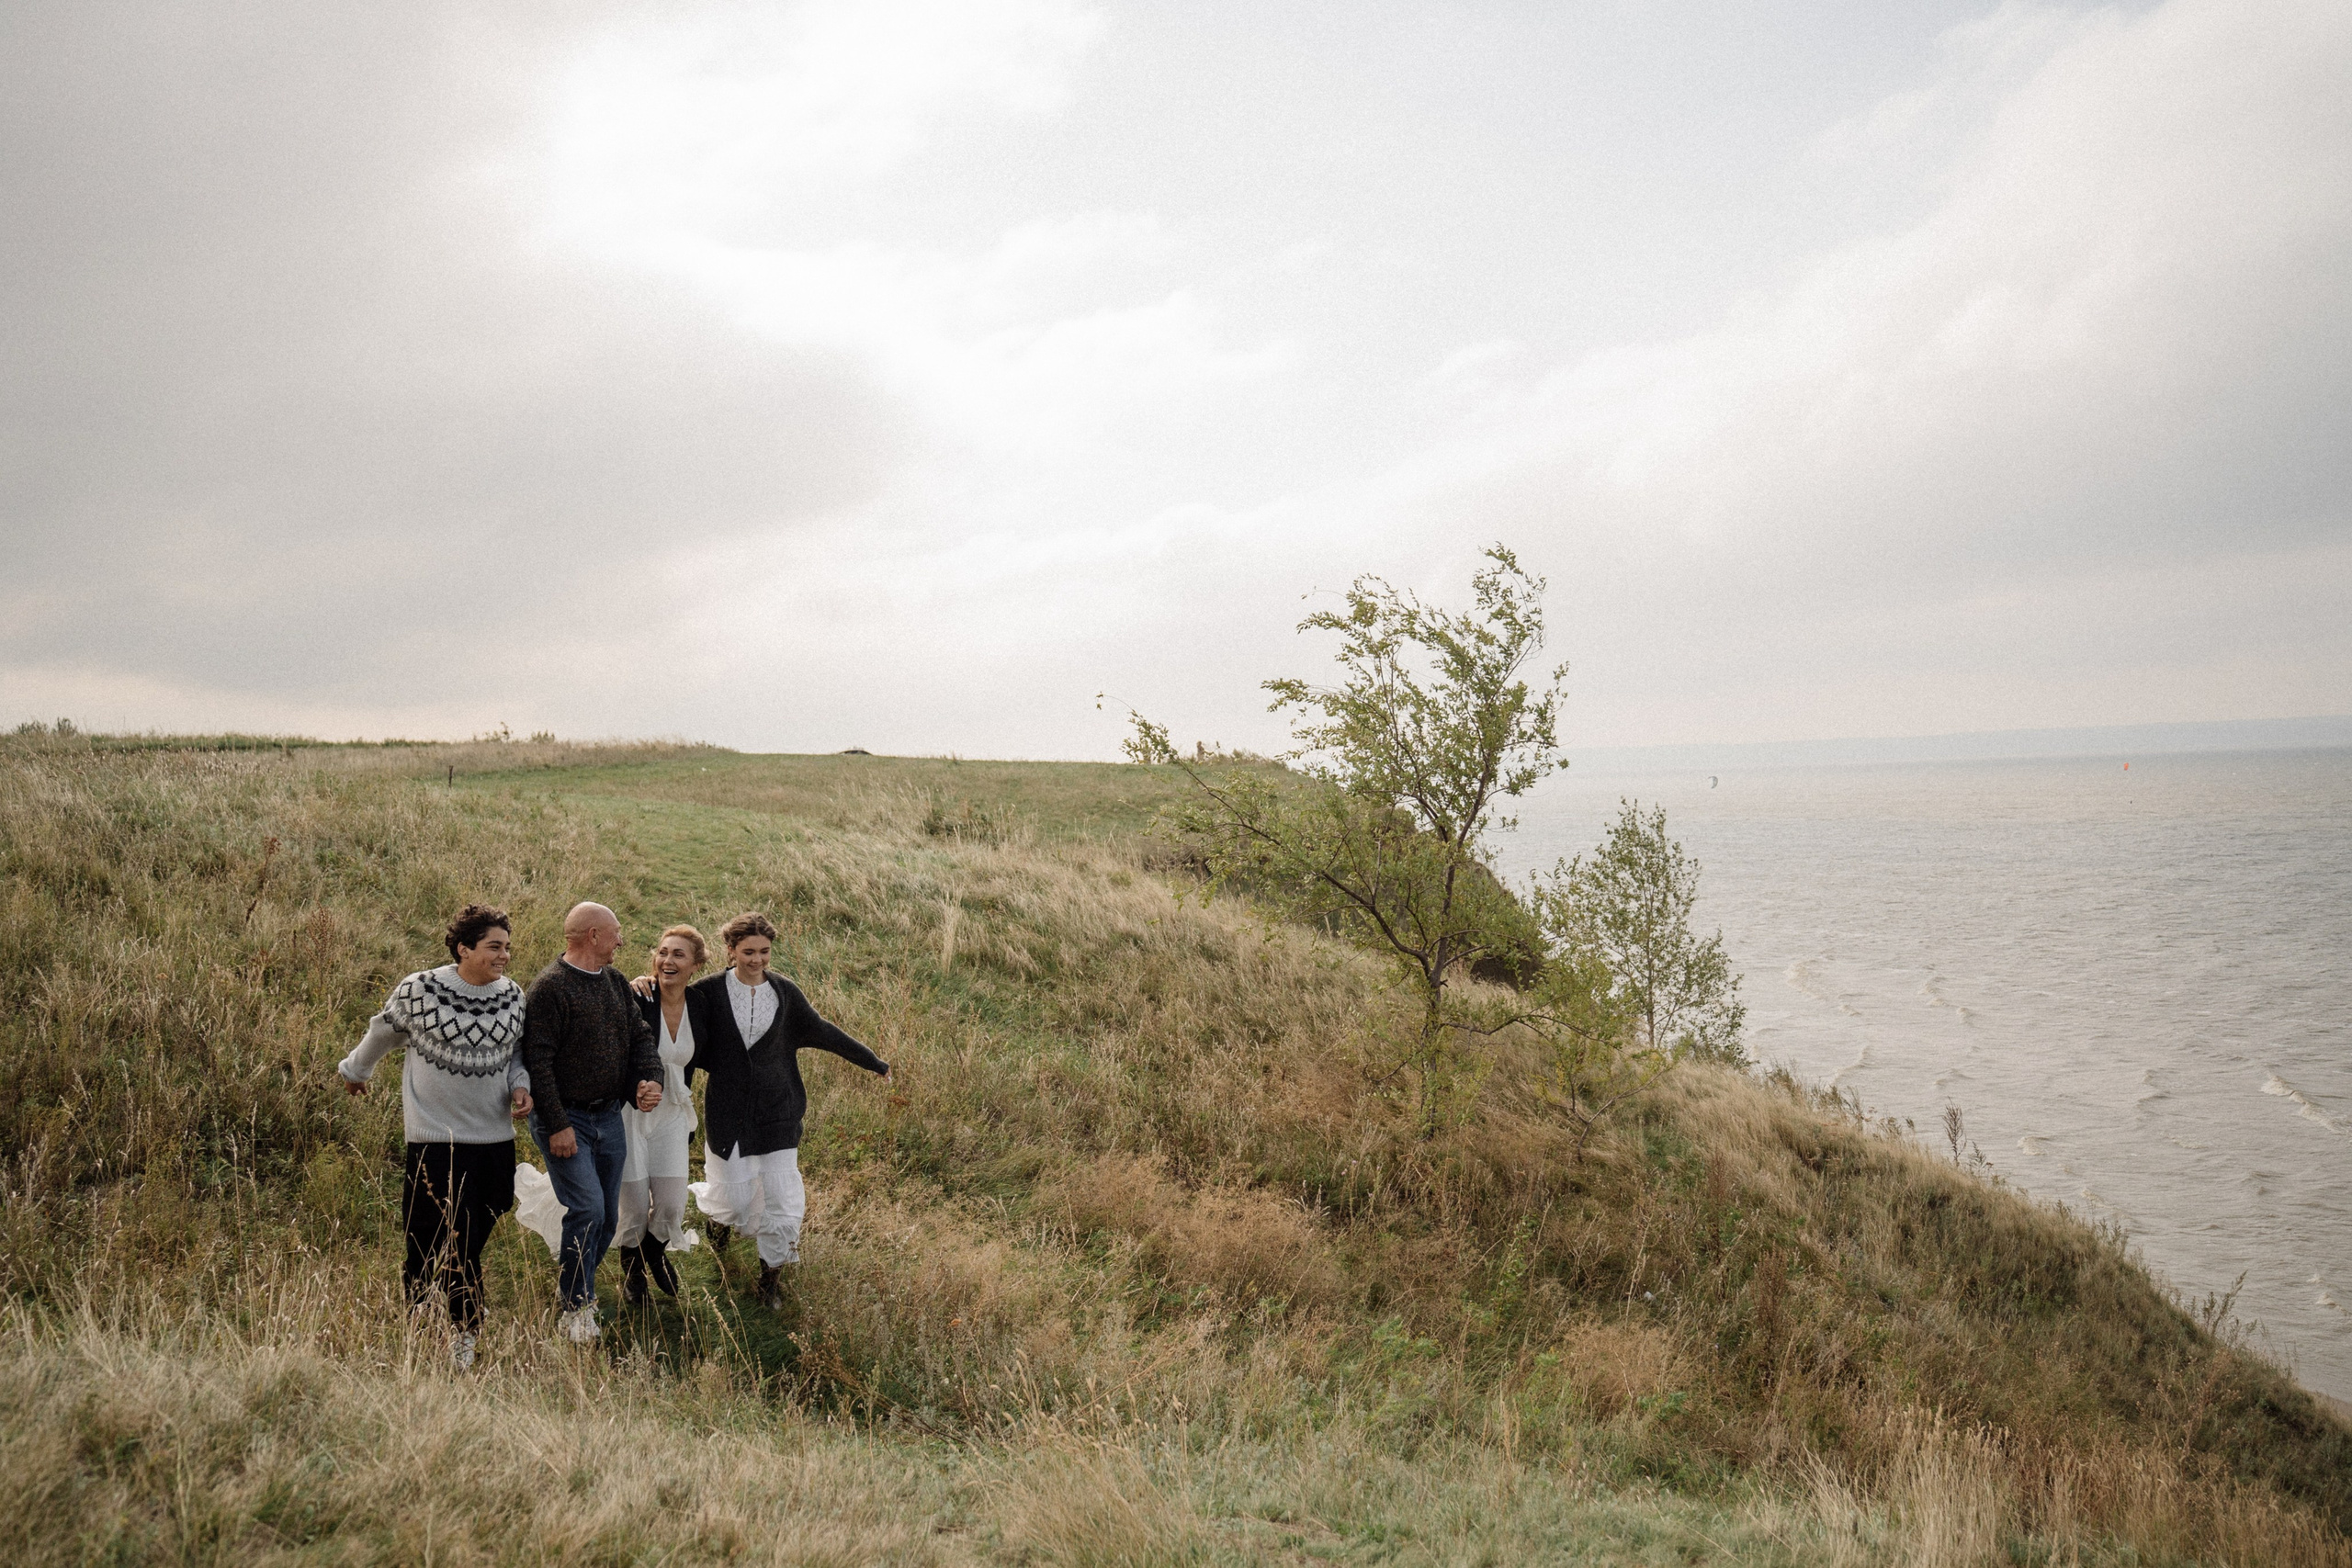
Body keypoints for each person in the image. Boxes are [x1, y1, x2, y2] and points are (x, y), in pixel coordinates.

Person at [337, 903, 532, 1370]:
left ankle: (439, 1305)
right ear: (463, 948)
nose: (504, 955)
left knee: (478, 1226)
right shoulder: (421, 990)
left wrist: (521, 1085)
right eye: (493, 947)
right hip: (434, 1139)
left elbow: (517, 1053)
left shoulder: (513, 997)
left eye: (507, 946)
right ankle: (454, 1327)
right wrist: (356, 1070)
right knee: (432, 1236)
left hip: (494, 1141)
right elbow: (382, 1032)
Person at [685, 912, 889, 1307]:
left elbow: (823, 1030)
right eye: (748, 952)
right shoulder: (706, 993)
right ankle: (719, 1240)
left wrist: (873, 1062)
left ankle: (769, 1284)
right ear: (730, 950)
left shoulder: (785, 993)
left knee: (782, 1200)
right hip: (727, 1114)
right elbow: (685, 1047)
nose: (757, 959)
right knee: (734, 1199)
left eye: (764, 951)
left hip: (779, 1111)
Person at [519, 901, 663, 1344]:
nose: (622, 940)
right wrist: (558, 1123)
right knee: (588, 1209)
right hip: (567, 1120)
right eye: (616, 932)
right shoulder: (550, 988)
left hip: (609, 1116)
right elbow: (537, 1061)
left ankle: (574, 1287)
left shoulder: (614, 982)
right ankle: (576, 1308)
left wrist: (649, 1079)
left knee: (606, 1219)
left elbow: (640, 1037)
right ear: (593, 936)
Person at [615, 924, 707, 1304]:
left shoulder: (701, 1005)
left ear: (696, 965)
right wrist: (631, 1086)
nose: (667, 960)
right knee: (634, 1205)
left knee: (670, 1203)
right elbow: (613, 1053)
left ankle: (653, 1251)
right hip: (629, 1114)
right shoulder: (637, 996)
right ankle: (633, 1274)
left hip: (672, 1113)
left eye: (678, 955)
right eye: (663, 952)